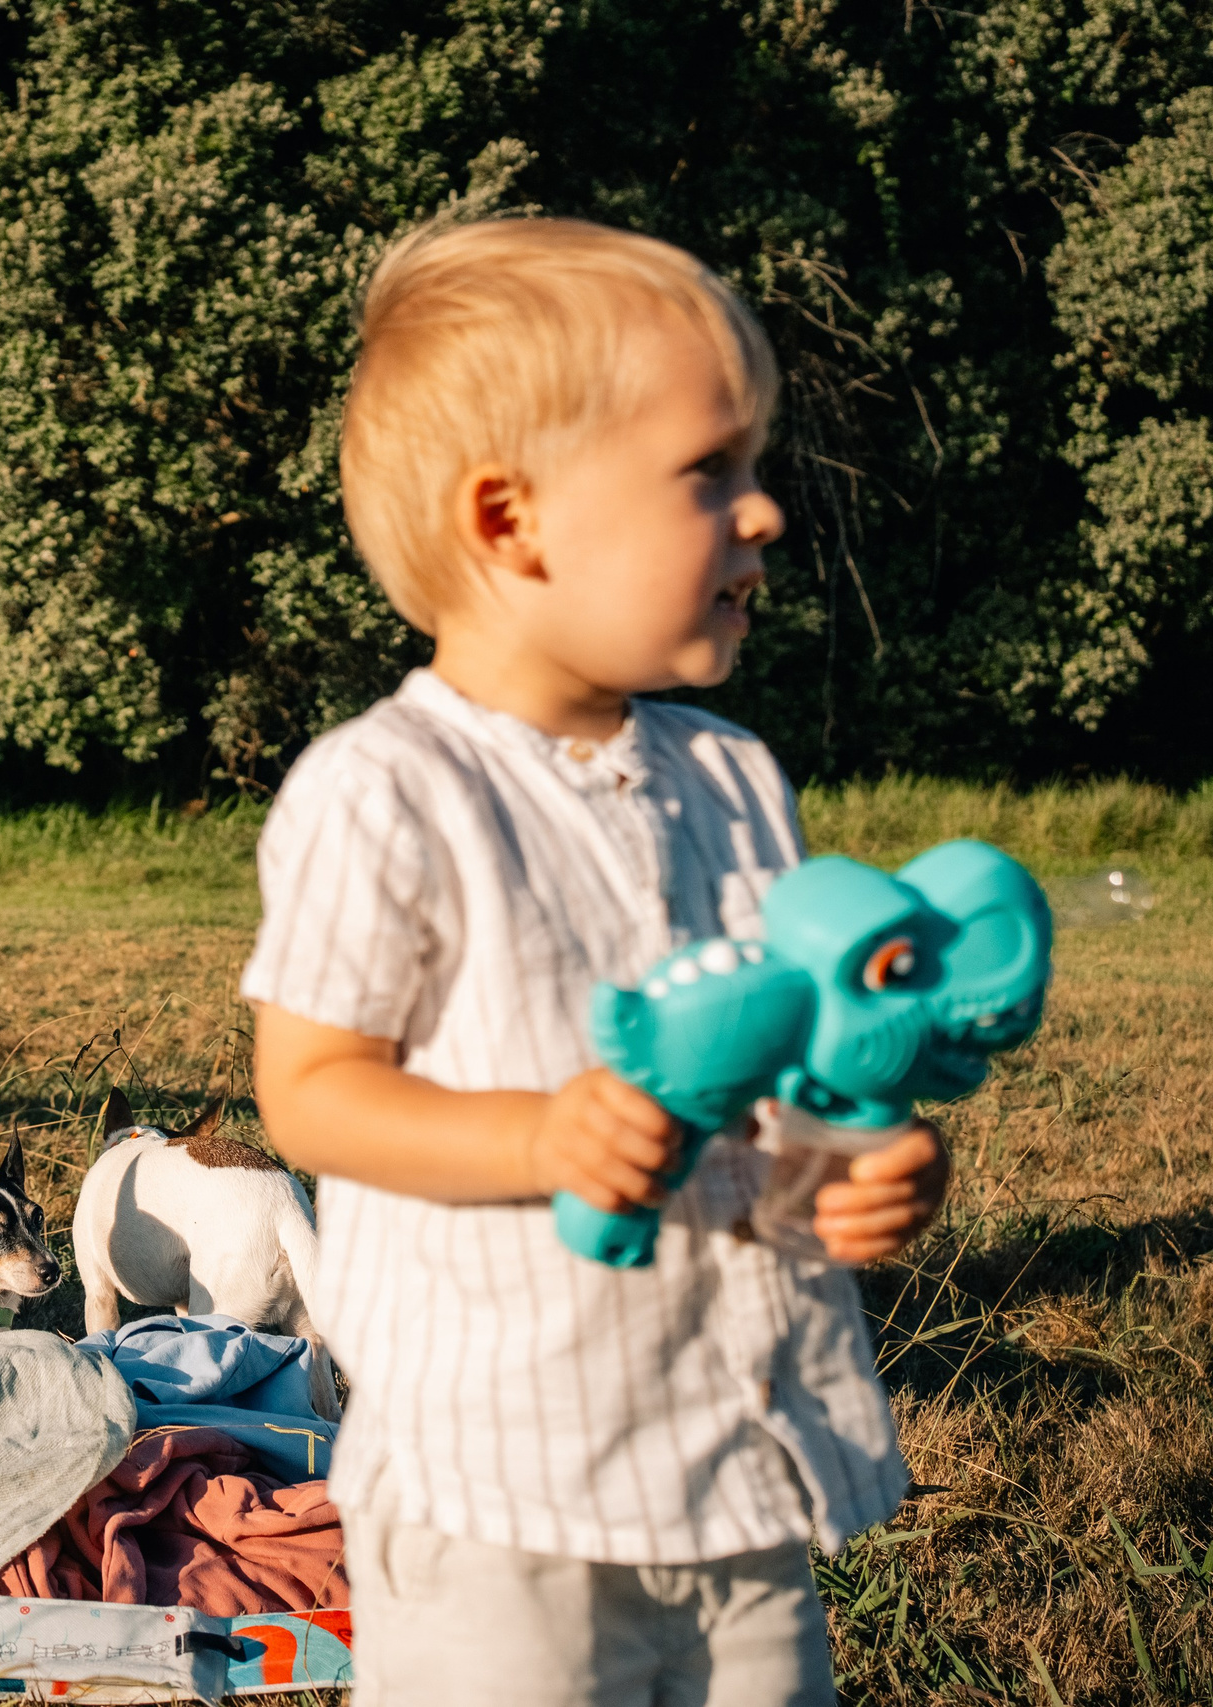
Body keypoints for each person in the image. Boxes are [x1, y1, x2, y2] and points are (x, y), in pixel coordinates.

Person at [242, 219, 950, 1704]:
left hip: (733, 1457)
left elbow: (778, 1066)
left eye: (754, 467)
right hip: (503, 1493)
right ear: (512, 521)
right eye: (709, 471)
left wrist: (849, 1167)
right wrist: (537, 1133)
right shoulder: (387, 790)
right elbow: (311, 1091)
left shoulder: (735, 779)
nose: (764, 512)